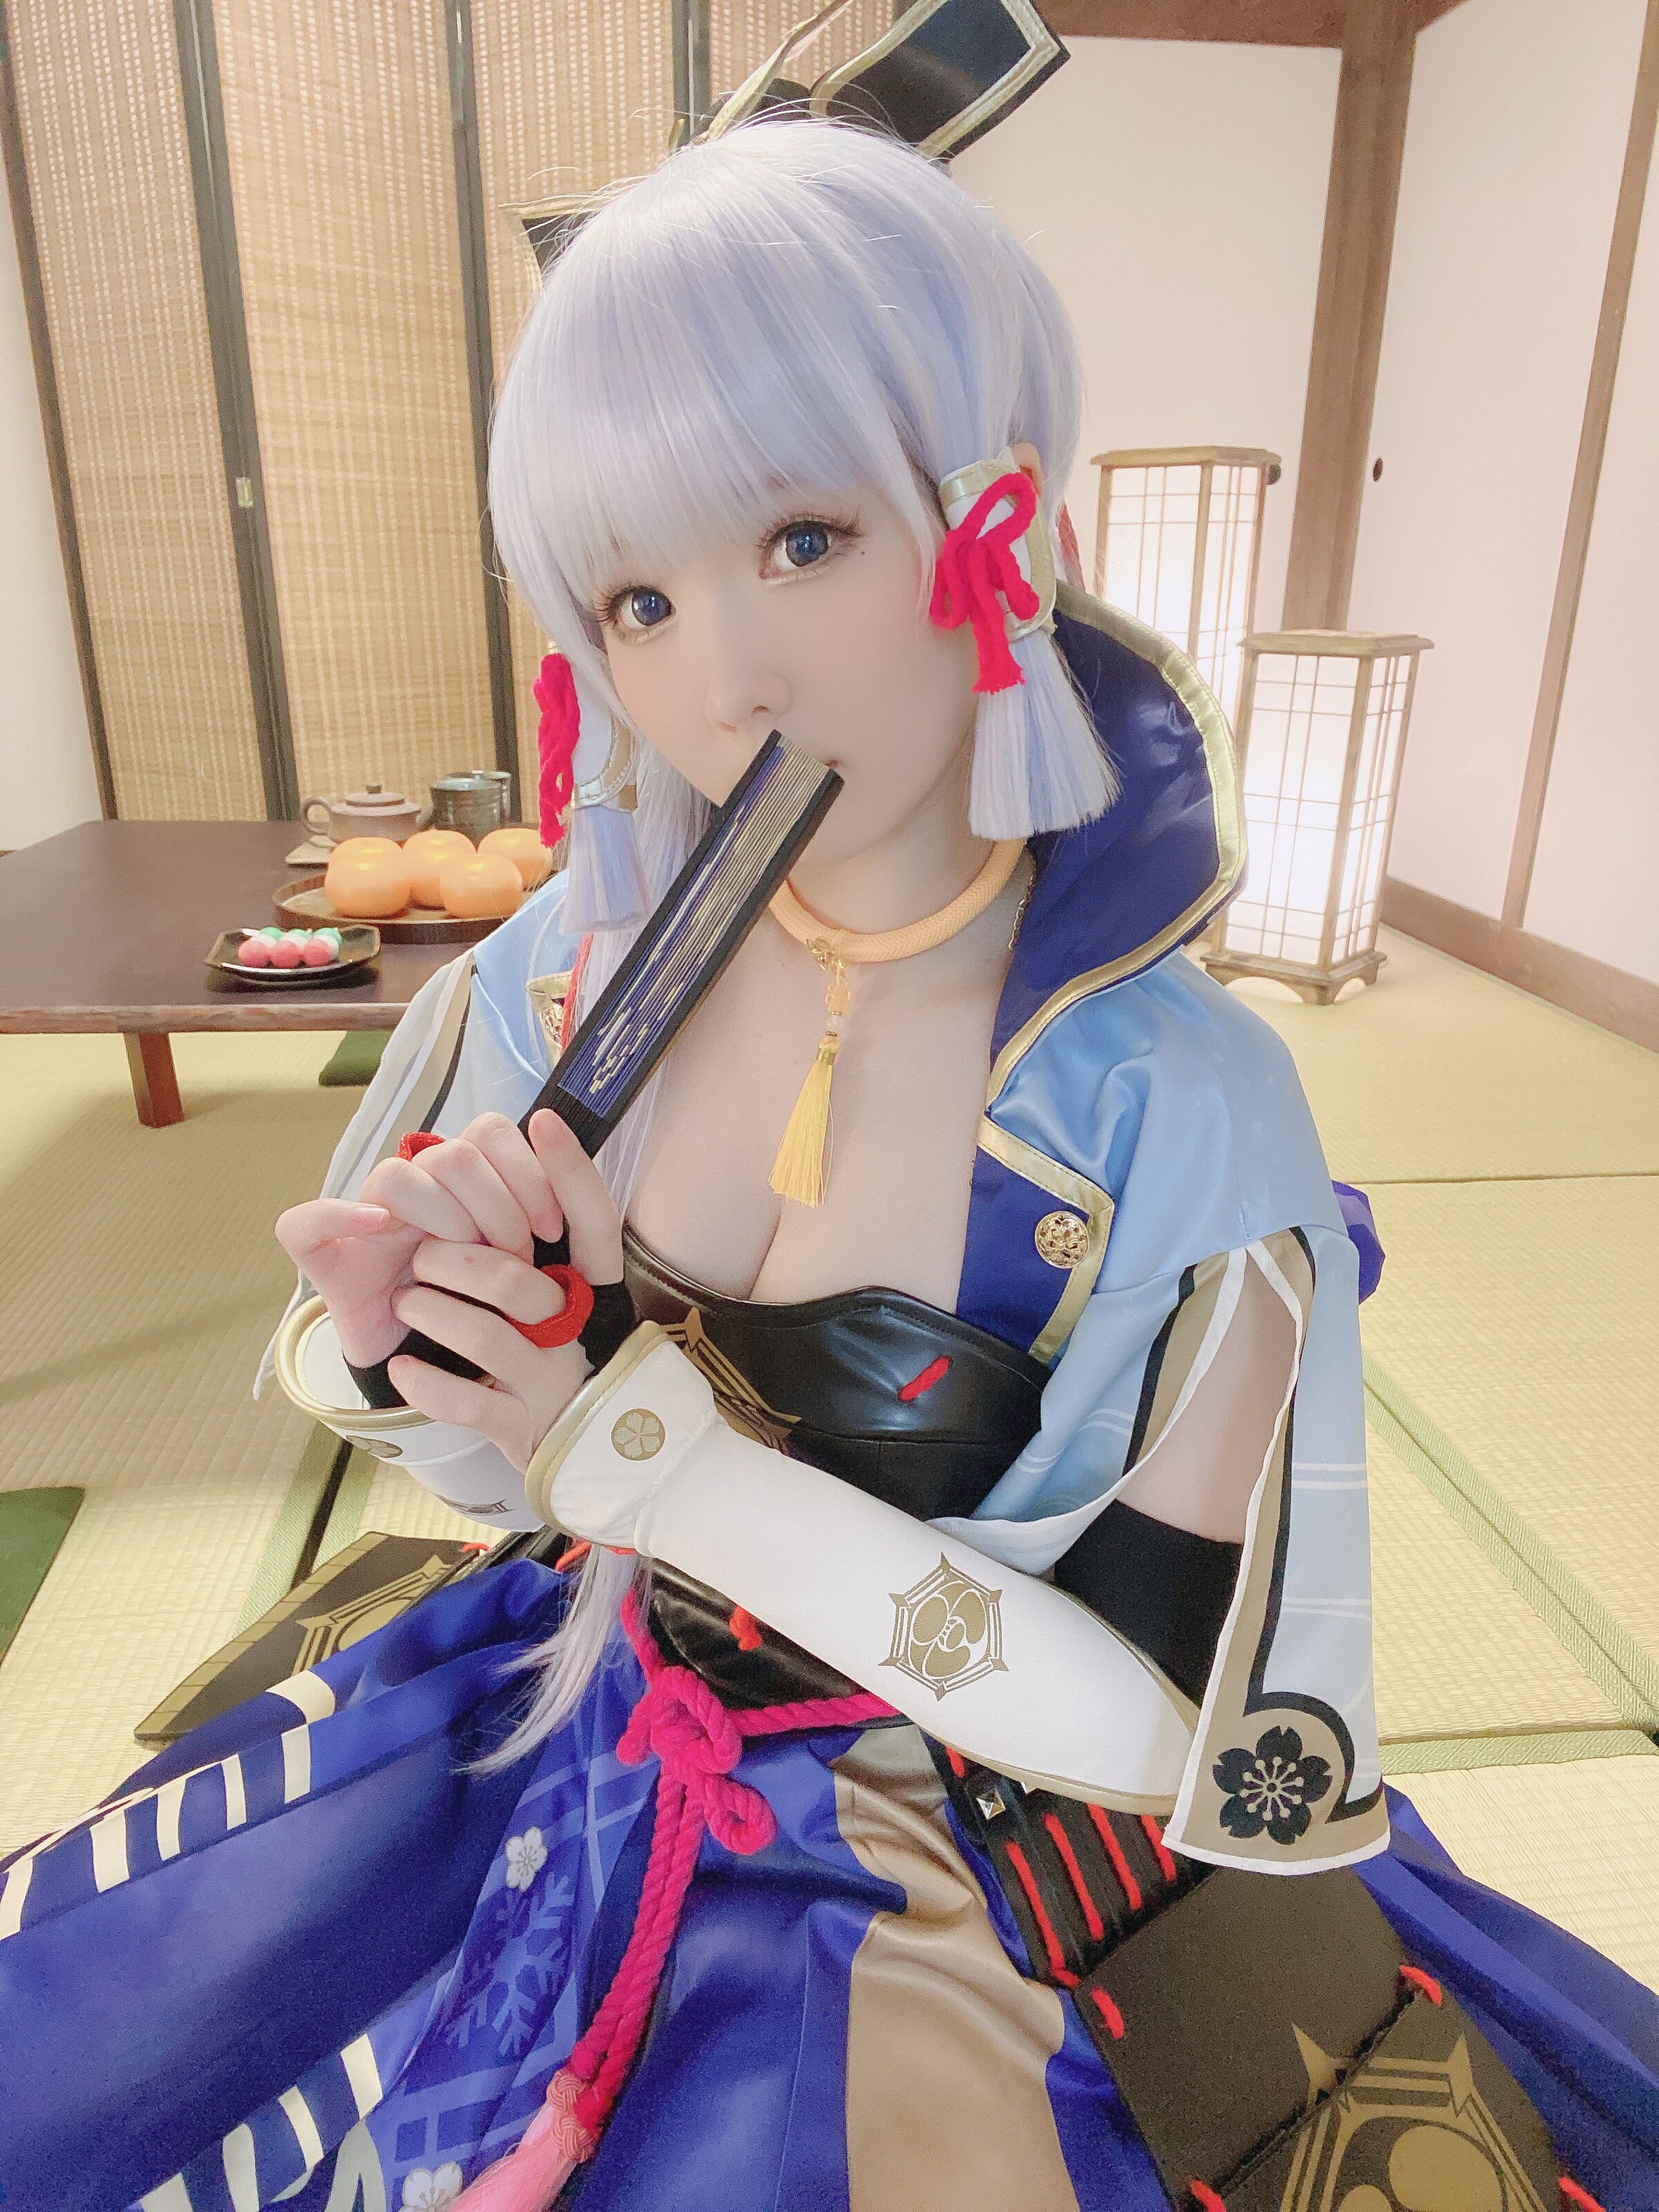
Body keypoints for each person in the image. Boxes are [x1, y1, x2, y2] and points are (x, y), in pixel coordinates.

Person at [3, 118, 1656, 2212]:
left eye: (802, 538)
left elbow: (1160, 1729)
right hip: (578, 1719)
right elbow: (519, 1492)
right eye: (640, 596)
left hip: (995, 1862)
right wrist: (427, 1354)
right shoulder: (571, 971)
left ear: (998, 521)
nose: (727, 681)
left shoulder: (1176, 1100)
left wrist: (630, 1445)